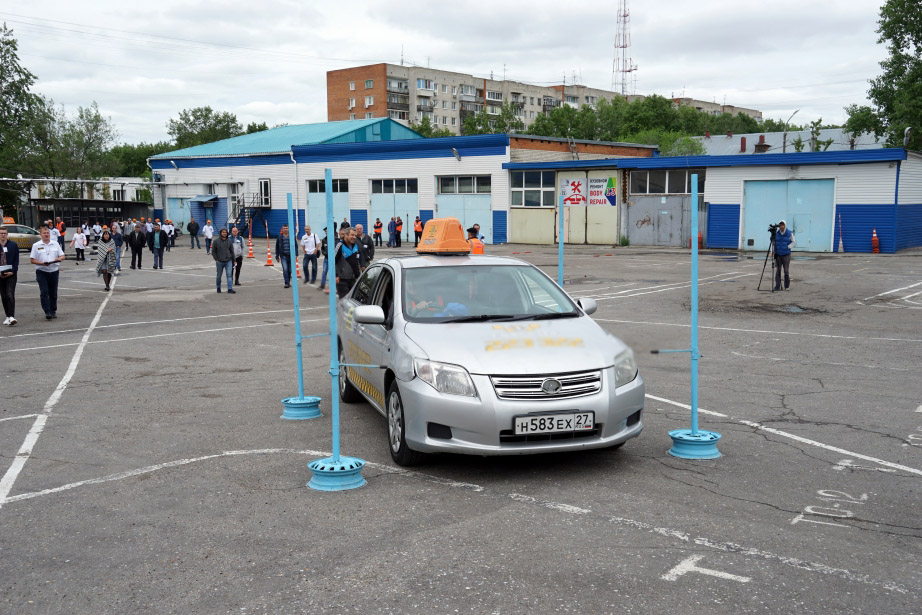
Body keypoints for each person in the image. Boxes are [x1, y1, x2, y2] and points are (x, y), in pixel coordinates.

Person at [30, 226, 65, 319]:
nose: (46, 235)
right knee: (44, 292)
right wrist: (42, 263)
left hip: (54, 271)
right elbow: (32, 259)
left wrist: (59, 259)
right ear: (41, 234)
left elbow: (62, 255)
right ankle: (47, 311)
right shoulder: (36, 245)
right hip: (42, 271)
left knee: (53, 292)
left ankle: (53, 310)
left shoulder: (55, 244)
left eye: (47, 233)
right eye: (44, 233)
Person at [0, 226, 19, 326]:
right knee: (3, 295)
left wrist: (13, 271)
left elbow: (16, 260)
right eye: (1, 233)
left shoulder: (13, 245)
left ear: (7, 234)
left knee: (10, 294)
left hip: (11, 274)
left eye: (4, 233)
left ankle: (11, 316)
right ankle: (7, 316)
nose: (3, 235)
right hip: (0, 274)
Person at [334, 227, 361, 297]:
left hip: (354, 279)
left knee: (353, 300)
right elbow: (333, 261)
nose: (354, 237)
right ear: (346, 235)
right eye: (352, 235)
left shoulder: (355, 246)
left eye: (355, 235)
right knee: (345, 301)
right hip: (342, 280)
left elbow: (357, 260)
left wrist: (358, 275)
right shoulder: (340, 245)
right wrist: (336, 275)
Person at [773, 219, 796, 291]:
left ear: (785, 225)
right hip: (778, 254)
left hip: (786, 255)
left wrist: (788, 247)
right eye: (780, 225)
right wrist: (772, 251)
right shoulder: (777, 233)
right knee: (778, 271)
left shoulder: (789, 233)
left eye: (783, 225)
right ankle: (777, 286)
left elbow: (793, 242)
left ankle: (786, 286)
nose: (781, 226)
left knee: (786, 271)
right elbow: (774, 243)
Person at [211, 228, 235, 293]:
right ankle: (218, 287)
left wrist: (234, 260)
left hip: (228, 261)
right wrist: (216, 259)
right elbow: (213, 251)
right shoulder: (216, 241)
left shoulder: (229, 241)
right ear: (220, 233)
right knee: (219, 275)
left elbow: (232, 251)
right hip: (219, 261)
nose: (224, 233)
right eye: (223, 232)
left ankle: (230, 289)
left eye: (225, 232)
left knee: (229, 274)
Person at [274, 224, 298, 288]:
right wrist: (277, 256)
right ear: (282, 229)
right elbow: (277, 247)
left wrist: (296, 254)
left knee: (290, 270)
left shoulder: (292, 237)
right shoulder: (279, 237)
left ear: (288, 229)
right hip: (283, 256)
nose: (285, 229)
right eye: (284, 228)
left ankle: (288, 282)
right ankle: (286, 283)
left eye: (286, 228)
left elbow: (296, 246)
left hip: (291, 256)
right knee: (285, 269)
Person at [318, 228, 331, 293]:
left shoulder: (335, 239)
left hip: (333, 259)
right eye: (325, 231)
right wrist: (324, 253)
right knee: (324, 271)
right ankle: (322, 285)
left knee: (333, 273)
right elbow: (322, 248)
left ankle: (332, 286)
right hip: (326, 258)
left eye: (327, 231)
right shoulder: (324, 240)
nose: (326, 232)